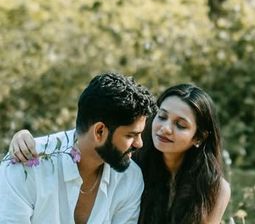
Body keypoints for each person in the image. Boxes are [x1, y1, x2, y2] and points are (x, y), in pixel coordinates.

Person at [9, 83, 231, 224]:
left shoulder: (212, 188)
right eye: (162, 117)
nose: (164, 128)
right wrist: (26, 139)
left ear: (199, 137)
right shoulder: (131, 164)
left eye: (180, 125)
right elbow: (92, 133)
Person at [0, 72, 156, 224]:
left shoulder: (130, 178)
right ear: (99, 131)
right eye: (130, 135)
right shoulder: (25, 167)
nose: (139, 144)